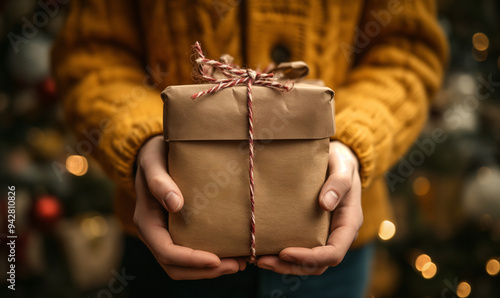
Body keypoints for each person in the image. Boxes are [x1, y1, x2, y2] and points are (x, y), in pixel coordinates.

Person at [51, 0, 448, 297]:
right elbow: (93, 54)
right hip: (161, 235)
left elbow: (407, 50)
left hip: (334, 244)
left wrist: (352, 142)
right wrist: (142, 140)